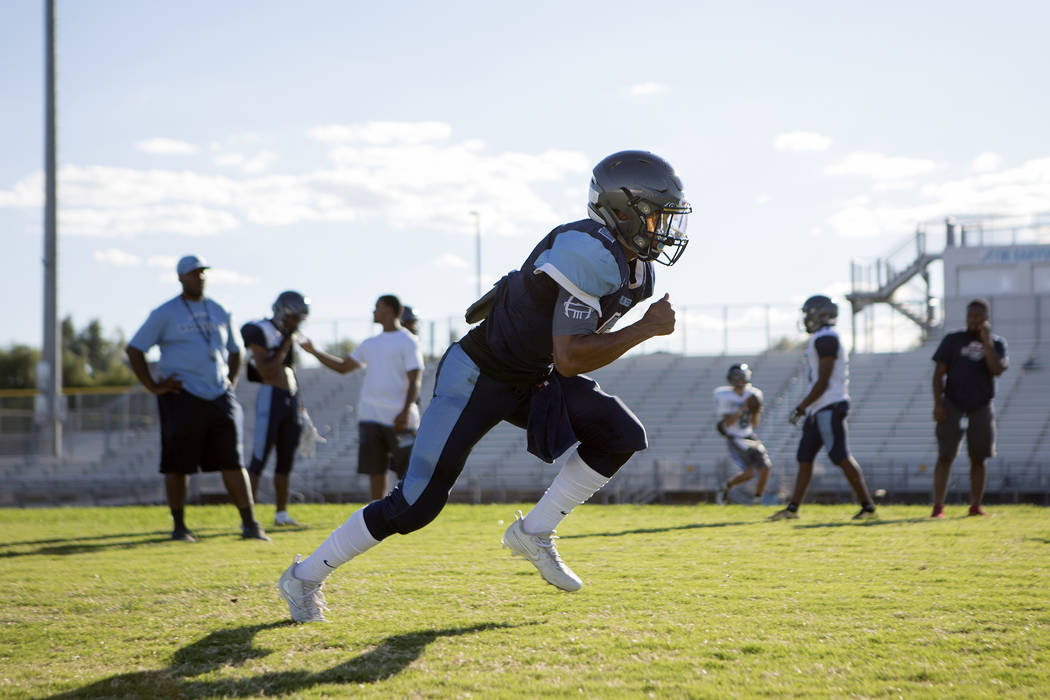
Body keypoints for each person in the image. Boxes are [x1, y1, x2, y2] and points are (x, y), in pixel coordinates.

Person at [278, 150, 691, 622]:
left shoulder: (636, 268)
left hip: (532, 375)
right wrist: (645, 330)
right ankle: (304, 577)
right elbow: (572, 357)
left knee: (620, 433)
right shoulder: (589, 249)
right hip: (478, 375)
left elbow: (572, 346)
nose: (664, 228)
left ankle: (534, 532)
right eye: (656, 216)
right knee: (415, 506)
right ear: (621, 210)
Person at [126, 254, 270, 542]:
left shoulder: (219, 309)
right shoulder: (165, 312)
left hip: (218, 394)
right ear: (181, 278)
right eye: (193, 273)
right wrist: (153, 386)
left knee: (232, 461)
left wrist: (231, 380)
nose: (199, 277)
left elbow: (235, 350)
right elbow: (135, 349)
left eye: (202, 272)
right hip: (182, 395)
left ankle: (250, 524)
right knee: (178, 464)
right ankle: (179, 527)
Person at [300, 295, 424, 500]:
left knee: (408, 471)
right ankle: (377, 513)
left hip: (400, 418)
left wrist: (405, 410)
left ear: (392, 310)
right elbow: (343, 367)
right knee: (376, 471)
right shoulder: (369, 344)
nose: (374, 311)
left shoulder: (408, 341)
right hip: (370, 416)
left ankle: (409, 510)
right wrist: (314, 351)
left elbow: (415, 380)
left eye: (378, 307)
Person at [771, 295, 877, 521]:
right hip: (819, 407)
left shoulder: (826, 338)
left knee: (840, 456)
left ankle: (867, 507)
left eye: (809, 313)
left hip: (828, 404)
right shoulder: (822, 337)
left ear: (820, 314)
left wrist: (801, 406)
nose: (807, 319)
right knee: (805, 457)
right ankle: (792, 509)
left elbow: (824, 381)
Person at [930, 298, 1008, 518]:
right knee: (945, 455)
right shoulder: (952, 340)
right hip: (952, 403)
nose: (974, 320)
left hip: (981, 406)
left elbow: (997, 370)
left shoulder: (996, 343)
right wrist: (938, 404)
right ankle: (938, 506)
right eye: (970, 316)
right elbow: (938, 375)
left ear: (986, 318)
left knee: (979, 457)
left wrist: (986, 341)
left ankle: (975, 505)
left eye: (978, 317)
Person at [242, 291, 311, 526]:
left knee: (285, 460)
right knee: (259, 458)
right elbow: (268, 370)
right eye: (295, 317)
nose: (298, 322)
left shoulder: (285, 335)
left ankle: (281, 513)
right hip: (270, 397)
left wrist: (300, 405)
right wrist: (285, 341)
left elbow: (288, 370)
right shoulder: (259, 329)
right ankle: (247, 517)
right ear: (284, 313)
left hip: (289, 399)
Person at [714, 363, 772, 504]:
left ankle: (758, 498)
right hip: (735, 436)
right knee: (749, 473)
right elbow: (726, 424)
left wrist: (755, 411)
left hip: (748, 434)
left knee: (766, 467)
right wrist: (743, 407)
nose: (740, 381)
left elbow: (754, 424)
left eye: (742, 377)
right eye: (736, 377)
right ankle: (726, 486)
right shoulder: (724, 395)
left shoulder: (754, 394)